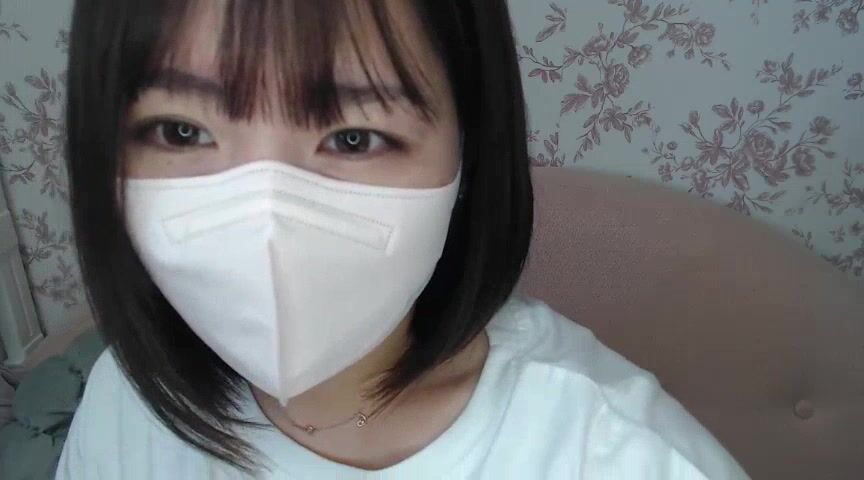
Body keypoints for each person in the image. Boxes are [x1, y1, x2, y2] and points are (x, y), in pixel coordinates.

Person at [56, 0, 750, 478]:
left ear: (469, 156)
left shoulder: (627, 457)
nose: (265, 224)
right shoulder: (128, 402)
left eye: (354, 138)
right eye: (181, 132)